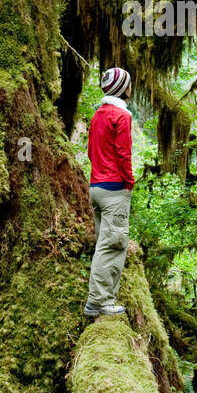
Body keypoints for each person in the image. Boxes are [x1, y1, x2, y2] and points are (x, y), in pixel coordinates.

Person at [85, 66, 134, 317]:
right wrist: (129, 181)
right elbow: (124, 153)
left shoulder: (98, 115)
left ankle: (104, 297)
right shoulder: (121, 116)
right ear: (121, 88)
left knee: (103, 243)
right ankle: (100, 302)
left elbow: (90, 151)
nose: (131, 87)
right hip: (115, 189)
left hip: (95, 187)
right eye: (128, 83)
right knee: (113, 244)